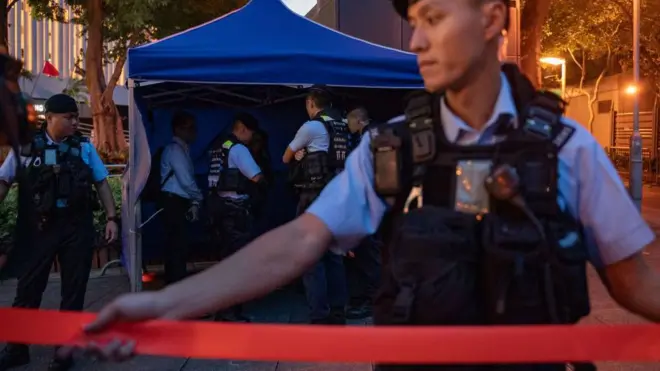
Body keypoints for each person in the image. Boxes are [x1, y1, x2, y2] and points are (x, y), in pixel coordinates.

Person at [83, 1, 659, 370]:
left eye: (433, 17)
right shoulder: (391, 147)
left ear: (490, 18)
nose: (414, 41)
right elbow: (297, 241)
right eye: (413, 22)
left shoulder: (567, 148)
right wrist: (164, 304)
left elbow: (636, 283)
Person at [0, 94, 118, 371]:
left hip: (77, 227)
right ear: (49, 118)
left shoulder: (84, 148)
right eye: (69, 118)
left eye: (76, 117)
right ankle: (17, 349)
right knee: (28, 290)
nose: (75, 122)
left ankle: (65, 351)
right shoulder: (27, 149)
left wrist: (112, 218)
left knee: (73, 292)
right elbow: (4, 182)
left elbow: (101, 183)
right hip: (38, 229)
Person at [282, 86, 350, 324]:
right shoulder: (342, 125)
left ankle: (320, 316)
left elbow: (286, 157)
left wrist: (300, 155)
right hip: (338, 196)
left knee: (312, 258)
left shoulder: (311, 126)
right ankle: (338, 312)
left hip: (314, 196)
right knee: (334, 256)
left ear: (311, 102)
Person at [206, 112, 264, 322]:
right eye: (250, 133)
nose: (251, 138)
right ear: (242, 129)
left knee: (224, 261)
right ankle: (230, 313)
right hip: (235, 211)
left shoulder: (217, 146)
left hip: (218, 209)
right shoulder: (238, 148)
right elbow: (256, 176)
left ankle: (223, 310)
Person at [344, 106, 382, 319]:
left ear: (359, 120)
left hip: (368, 204)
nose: (348, 128)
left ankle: (373, 300)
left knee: (369, 255)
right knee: (368, 254)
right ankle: (370, 298)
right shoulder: (376, 135)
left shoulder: (367, 140)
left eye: (350, 123)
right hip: (374, 202)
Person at [159, 111, 203, 285]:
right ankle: (176, 283)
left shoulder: (181, 149)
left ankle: (174, 282)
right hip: (173, 201)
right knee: (177, 246)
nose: (193, 131)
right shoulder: (175, 150)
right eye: (189, 127)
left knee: (176, 245)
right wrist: (198, 198)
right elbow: (186, 180)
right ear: (178, 129)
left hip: (175, 200)